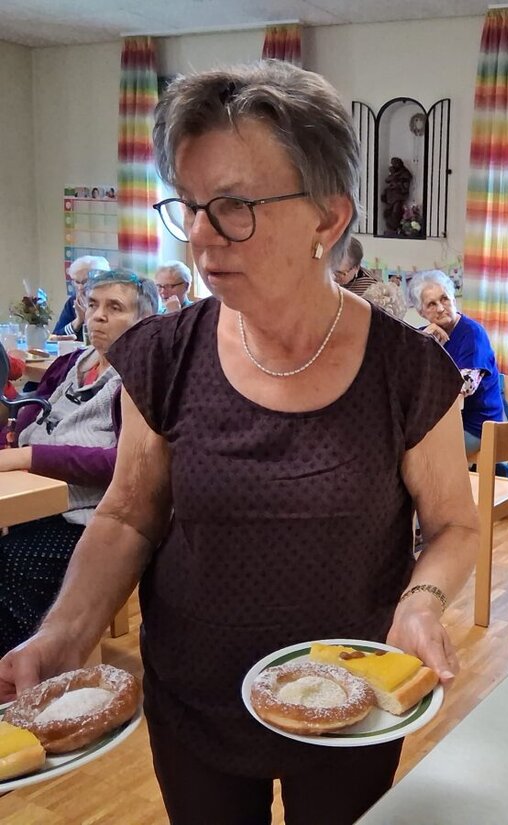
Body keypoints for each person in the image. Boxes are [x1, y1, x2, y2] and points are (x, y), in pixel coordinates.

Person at [0, 62, 477, 824]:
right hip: (197, 702)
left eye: (233, 206)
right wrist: (65, 630)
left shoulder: (407, 367)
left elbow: (455, 522)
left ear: (327, 218)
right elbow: (126, 514)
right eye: (187, 206)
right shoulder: (164, 352)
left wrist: (421, 603)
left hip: (352, 698)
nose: (199, 234)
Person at [0, 269, 158, 654]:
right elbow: (32, 414)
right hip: (33, 497)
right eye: (93, 305)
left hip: (88, 515)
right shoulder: (71, 363)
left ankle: (26, 676)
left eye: (114, 307)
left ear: (144, 320)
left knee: (13, 567)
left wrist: (31, 455)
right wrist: (16, 439)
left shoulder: (140, 378)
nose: (97, 316)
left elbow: (119, 464)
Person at [409, 270, 505, 459]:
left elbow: (464, 386)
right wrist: (424, 341)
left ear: (454, 299)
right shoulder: (424, 335)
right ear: (421, 312)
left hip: (477, 426)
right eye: (431, 304)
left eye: (444, 299)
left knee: (415, 454)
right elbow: (403, 371)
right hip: (444, 423)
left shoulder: (472, 333)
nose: (440, 308)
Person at [52, 255, 110, 338]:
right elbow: (55, 338)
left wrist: (89, 318)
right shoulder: (73, 301)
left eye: (85, 281)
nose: (80, 288)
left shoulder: (109, 303)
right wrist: (78, 321)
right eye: (77, 282)